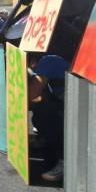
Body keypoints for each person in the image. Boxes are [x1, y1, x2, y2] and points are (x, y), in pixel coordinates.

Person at [29, 54, 70, 182]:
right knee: (43, 105)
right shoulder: (52, 57)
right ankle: (47, 139)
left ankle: (66, 162)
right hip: (69, 99)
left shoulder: (49, 60)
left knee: (47, 111)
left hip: (79, 106)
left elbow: (31, 94)